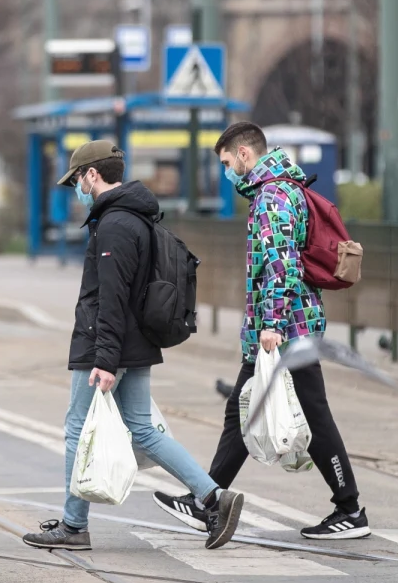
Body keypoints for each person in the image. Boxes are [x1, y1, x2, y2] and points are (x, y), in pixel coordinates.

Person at [23, 140, 244, 552]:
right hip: (135, 341)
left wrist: (104, 360)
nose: (76, 187)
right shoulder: (138, 217)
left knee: (76, 430)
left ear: (92, 174)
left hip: (107, 345)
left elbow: (112, 296)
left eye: (76, 179)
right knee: (142, 430)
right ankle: (215, 498)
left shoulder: (114, 225)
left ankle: (73, 526)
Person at [152, 122, 370, 540]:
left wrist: (270, 323)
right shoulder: (284, 189)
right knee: (244, 410)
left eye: (227, 162)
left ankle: (350, 508)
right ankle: (208, 498)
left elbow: (281, 265)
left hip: (284, 329)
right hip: (290, 324)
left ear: (245, 155)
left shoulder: (272, 197)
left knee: (307, 413)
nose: (227, 171)